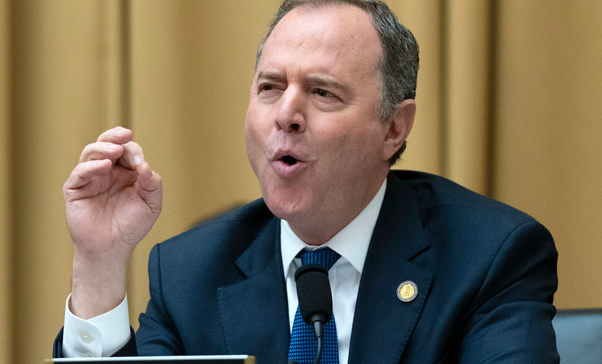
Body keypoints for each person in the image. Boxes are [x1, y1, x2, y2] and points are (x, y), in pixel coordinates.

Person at [54, 0, 559, 362]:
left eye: (322, 93)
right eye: (270, 87)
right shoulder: (191, 273)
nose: (286, 115)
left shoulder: (489, 256)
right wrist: (100, 262)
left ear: (393, 128)